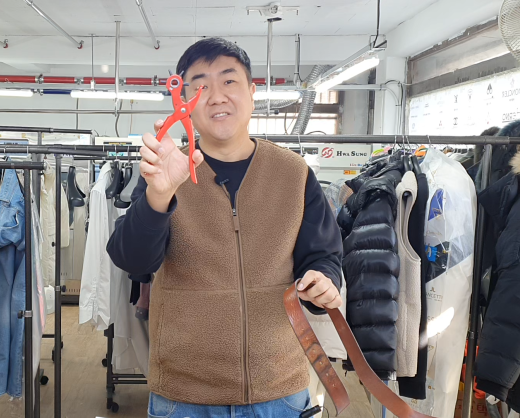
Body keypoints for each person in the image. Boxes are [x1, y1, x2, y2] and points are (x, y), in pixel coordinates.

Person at [106, 37, 343, 418]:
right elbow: (132, 260)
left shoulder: (293, 173)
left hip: (279, 390)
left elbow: (323, 254)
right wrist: (159, 195)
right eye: (200, 85)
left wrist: (324, 279)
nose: (216, 96)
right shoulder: (166, 170)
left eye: (229, 81)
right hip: (184, 396)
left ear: (252, 92)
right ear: (184, 100)